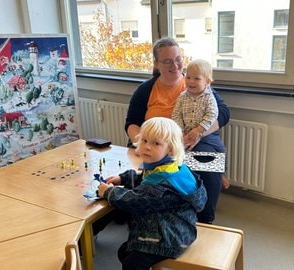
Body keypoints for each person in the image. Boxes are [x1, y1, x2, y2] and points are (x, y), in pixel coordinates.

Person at [124, 37, 230, 224]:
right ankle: (135, 210)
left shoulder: (197, 83)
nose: (175, 65)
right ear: (156, 64)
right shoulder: (145, 90)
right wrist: (142, 141)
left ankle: (204, 220)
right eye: (167, 61)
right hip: (155, 142)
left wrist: (198, 132)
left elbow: (223, 113)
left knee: (206, 159)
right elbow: (132, 122)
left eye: (178, 59)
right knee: (136, 162)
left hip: (193, 139)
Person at [97, 117, 207, 270]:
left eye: (156, 143)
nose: (147, 147)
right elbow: (144, 179)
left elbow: (136, 201)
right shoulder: (168, 167)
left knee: (131, 264)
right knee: (125, 252)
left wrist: (109, 192)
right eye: (144, 141)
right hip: (176, 228)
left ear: (170, 149)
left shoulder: (162, 182)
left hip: (169, 238)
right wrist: (123, 178)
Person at [171, 59, 230, 190]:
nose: (191, 81)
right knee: (178, 153)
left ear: (207, 82)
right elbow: (176, 114)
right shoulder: (182, 97)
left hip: (206, 134)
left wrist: (199, 130)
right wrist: (181, 131)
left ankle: (221, 174)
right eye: (188, 77)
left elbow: (212, 114)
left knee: (221, 151)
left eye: (196, 79)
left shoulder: (209, 97)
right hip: (185, 133)